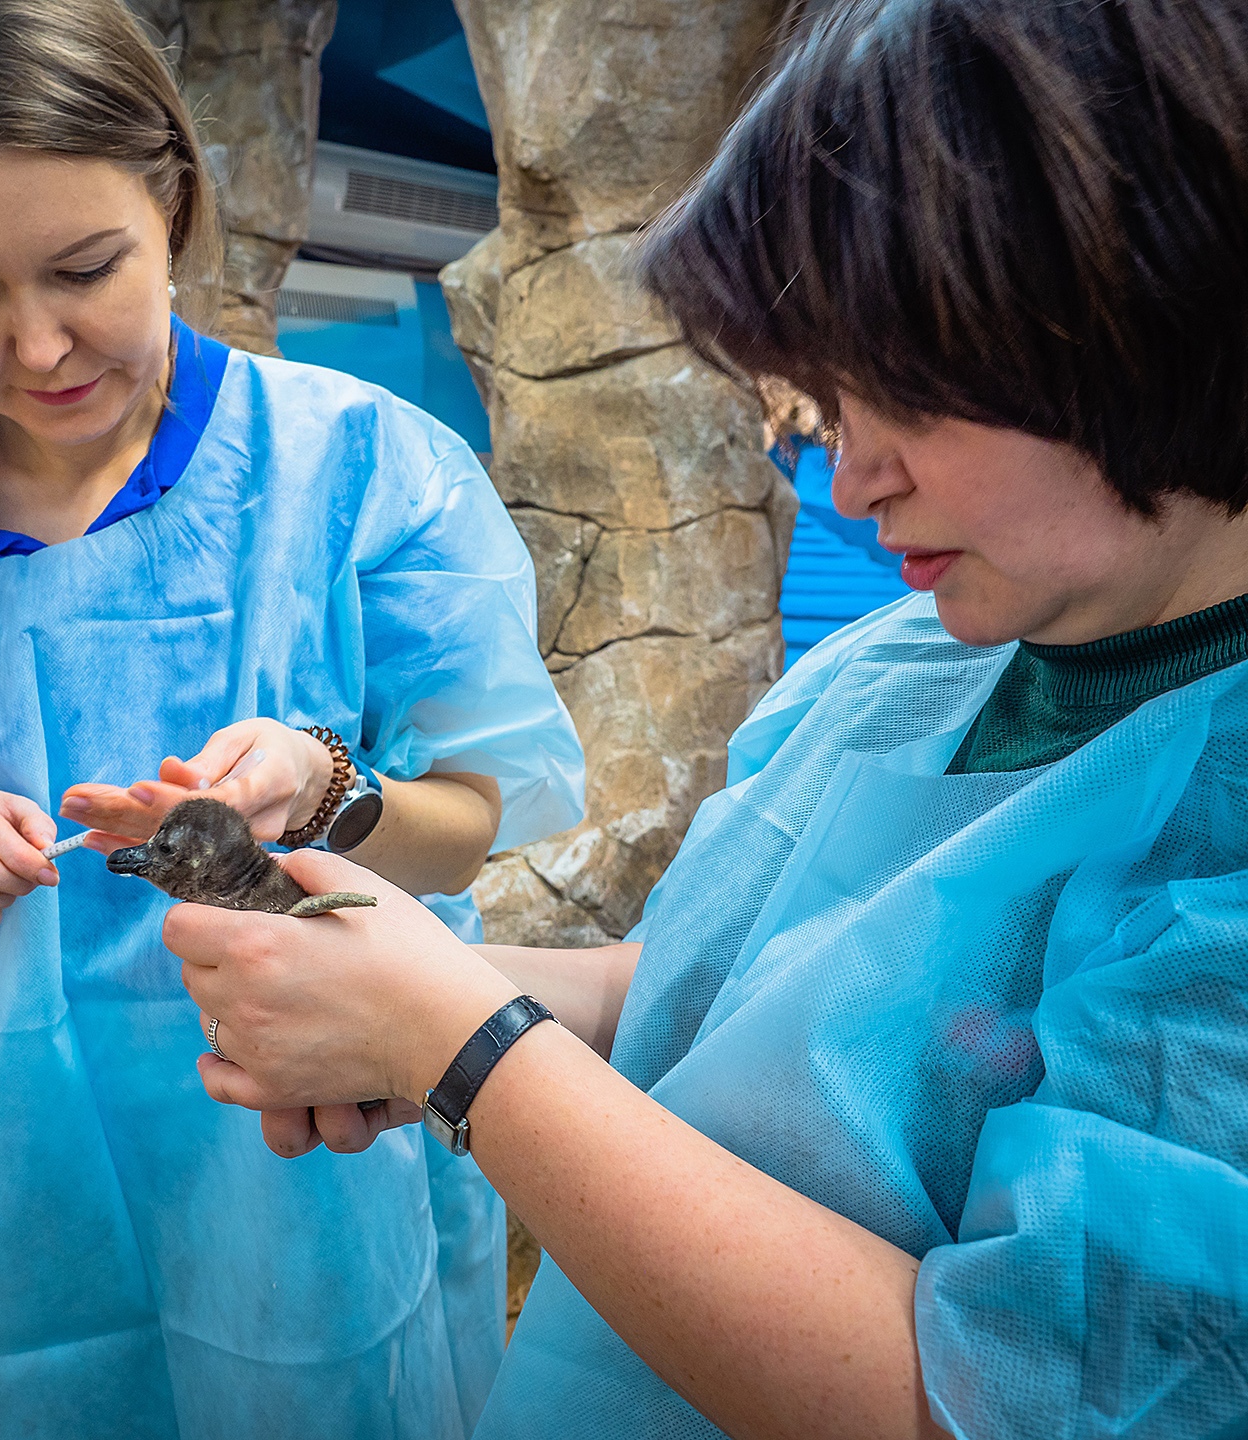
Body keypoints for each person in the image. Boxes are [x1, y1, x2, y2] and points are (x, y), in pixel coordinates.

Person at [166, 1, 1248, 1437]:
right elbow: (722, 989)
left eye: (912, 391)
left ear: (1147, 306)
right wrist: (400, 995)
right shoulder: (895, 667)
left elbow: (1007, 1399)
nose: (851, 480)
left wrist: (466, 1048)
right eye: (832, 398)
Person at [0, 0, 584, 1433]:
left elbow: (470, 823)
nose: (39, 343)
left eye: (85, 269)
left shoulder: (357, 468)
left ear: (169, 199)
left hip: (313, 1159)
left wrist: (327, 784)